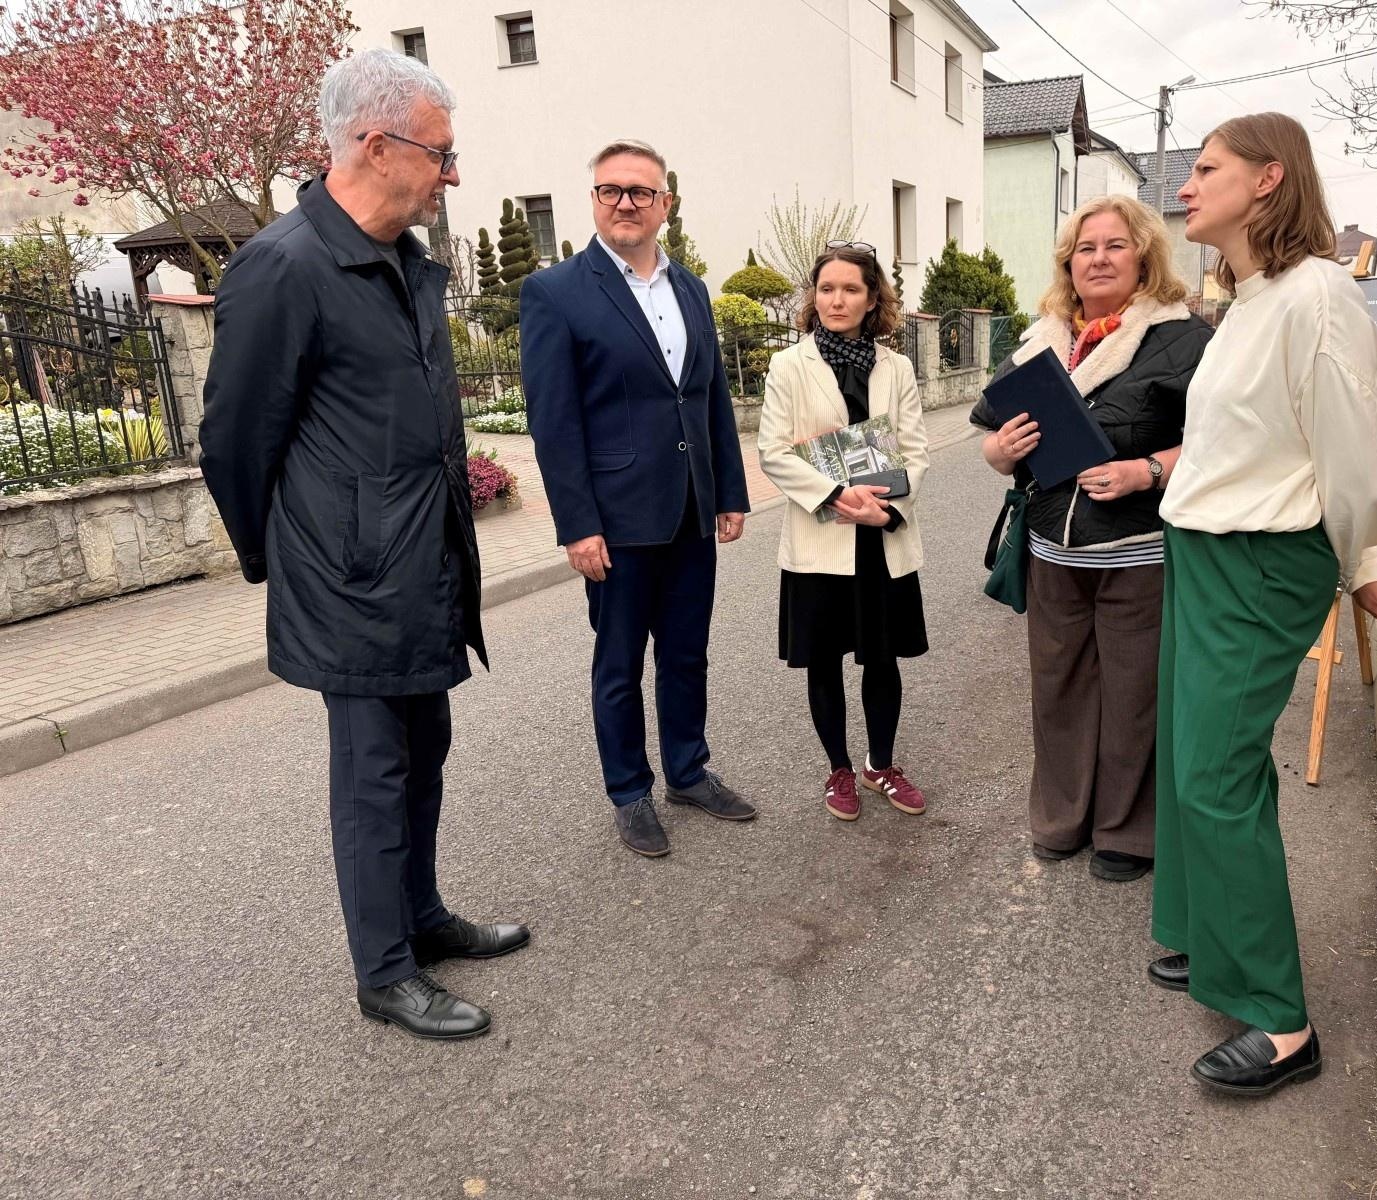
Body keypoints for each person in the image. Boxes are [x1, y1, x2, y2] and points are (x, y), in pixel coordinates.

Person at [199, 49, 528, 1042]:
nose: (453, 174)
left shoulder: (399, 263)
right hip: (352, 578)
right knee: (372, 773)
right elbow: (234, 440)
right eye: (442, 153)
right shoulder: (285, 265)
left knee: (425, 748)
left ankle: (420, 919)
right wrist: (295, 558)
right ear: (374, 145)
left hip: (418, 564)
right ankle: (383, 971)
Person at [1148, 112, 1377, 1096]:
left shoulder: (1317, 296)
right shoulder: (1249, 299)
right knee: (1183, 756)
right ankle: (1197, 935)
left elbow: (1353, 444)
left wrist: (1366, 559)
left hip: (1264, 560)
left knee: (1216, 774)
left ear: (1267, 180)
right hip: (1206, 550)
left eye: (1204, 168)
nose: (1184, 185)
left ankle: (1279, 1024)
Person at [520, 139, 754, 858]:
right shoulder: (556, 291)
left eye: (641, 192)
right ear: (593, 199)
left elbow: (710, 395)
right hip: (616, 523)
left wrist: (730, 490)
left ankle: (687, 769)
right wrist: (578, 525)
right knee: (619, 663)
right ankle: (630, 791)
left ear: (665, 205)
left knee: (688, 653)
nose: (626, 202)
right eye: (611, 190)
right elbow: (553, 422)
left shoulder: (690, 289)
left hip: (689, 508)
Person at [971, 196, 1211, 881]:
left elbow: (1226, 444)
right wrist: (998, 453)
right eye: (1084, 248)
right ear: (1067, 264)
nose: (1098, 258)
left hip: (1139, 554)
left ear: (1143, 256)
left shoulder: (1181, 338)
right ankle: (1061, 817)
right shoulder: (1043, 339)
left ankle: (1127, 833)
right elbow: (997, 435)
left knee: (1134, 696)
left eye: (1113, 245)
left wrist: (1148, 469)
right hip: (1053, 549)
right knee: (1059, 689)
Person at [756, 244, 931, 821]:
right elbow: (773, 452)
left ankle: (882, 764)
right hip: (821, 533)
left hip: (880, 533)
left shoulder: (896, 367)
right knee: (824, 659)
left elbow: (915, 451)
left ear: (872, 298)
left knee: (883, 659)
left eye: (851, 289)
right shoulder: (788, 366)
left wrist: (886, 509)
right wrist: (834, 495)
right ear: (814, 296)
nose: (838, 299)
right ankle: (839, 769)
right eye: (827, 288)